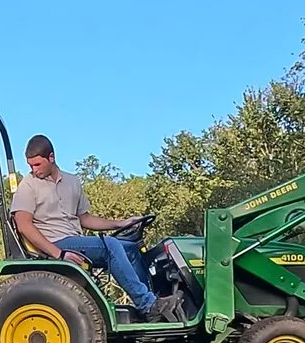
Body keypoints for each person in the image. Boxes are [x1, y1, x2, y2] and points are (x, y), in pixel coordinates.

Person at [10, 134, 182, 321]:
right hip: (55, 243)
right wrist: (59, 254)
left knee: (131, 248)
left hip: (75, 240)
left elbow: (85, 219)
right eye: (31, 166)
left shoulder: (72, 182)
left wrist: (121, 223)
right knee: (111, 245)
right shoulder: (28, 185)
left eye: (37, 165)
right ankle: (147, 304)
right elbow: (23, 225)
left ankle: (152, 307)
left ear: (51, 157)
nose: (34, 170)